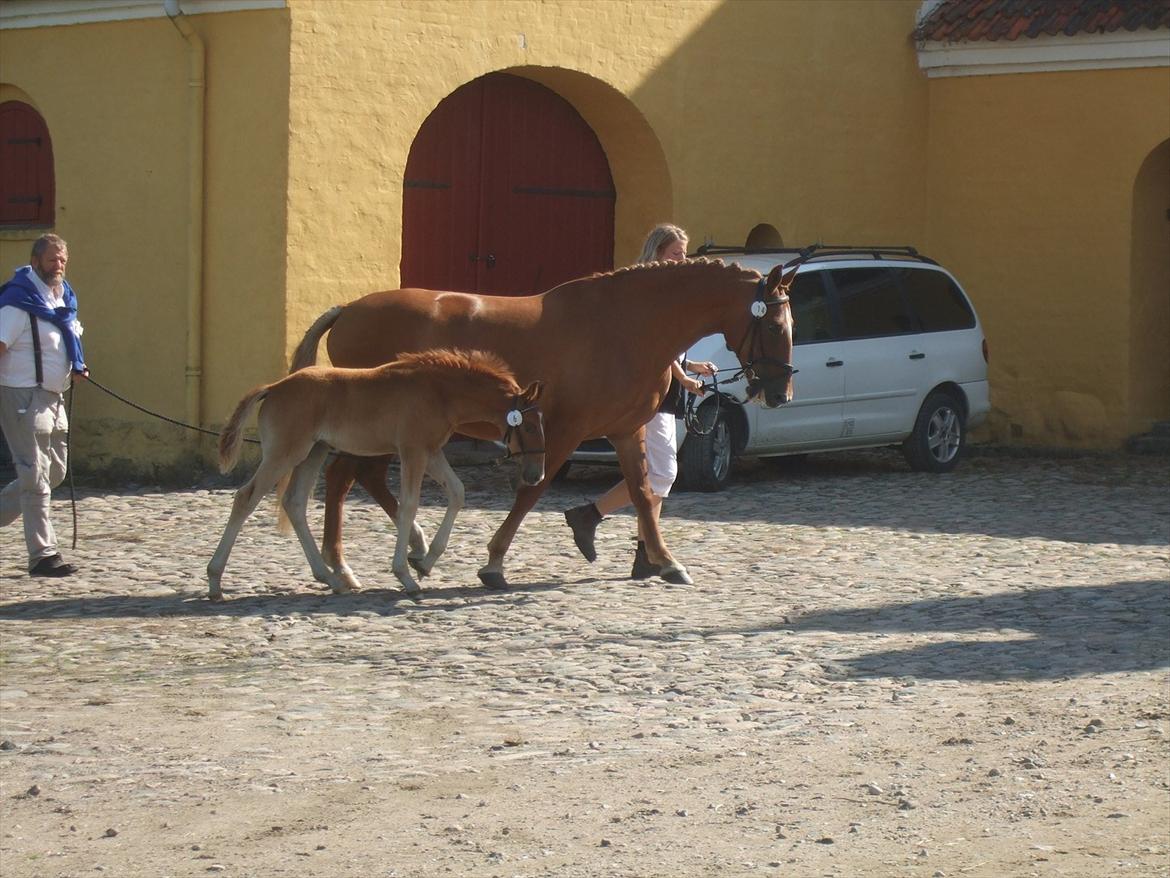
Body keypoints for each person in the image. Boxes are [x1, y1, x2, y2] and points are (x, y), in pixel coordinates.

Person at [563, 224, 716, 579]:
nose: (682, 259)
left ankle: (646, 551)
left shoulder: (664, 288)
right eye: (676, 253)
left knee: (653, 473)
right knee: (662, 472)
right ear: (658, 252)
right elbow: (650, 347)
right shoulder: (646, 288)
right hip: (643, 388)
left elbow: (668, 346)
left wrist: (688, 364)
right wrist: (685, 378)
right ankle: (591, 515)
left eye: (684, 253)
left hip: (659, 386)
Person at [0, 233, 87, 577]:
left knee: (55, 472)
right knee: (34, 476)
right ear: (36, 261)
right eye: (52, 259)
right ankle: (43, 555)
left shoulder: (60, 300)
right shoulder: (17, 303)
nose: (59, 265)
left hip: (53, 397)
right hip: (22, 396)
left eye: (63, 259)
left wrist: (77, 366)